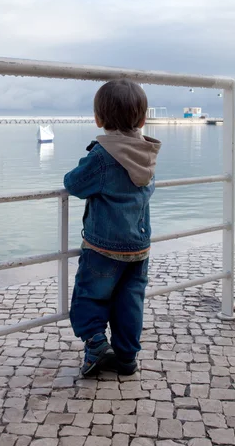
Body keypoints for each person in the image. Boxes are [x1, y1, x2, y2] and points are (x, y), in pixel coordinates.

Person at [64, 79, 161, 377]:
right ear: (143, 119)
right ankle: (127, 357)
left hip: (104, 247)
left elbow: (74, 183)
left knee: (89, 295)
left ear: (98, 118)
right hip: (139, 246)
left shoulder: (103, 156)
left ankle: (95, 345)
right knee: (130, 302)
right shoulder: (148, 152)